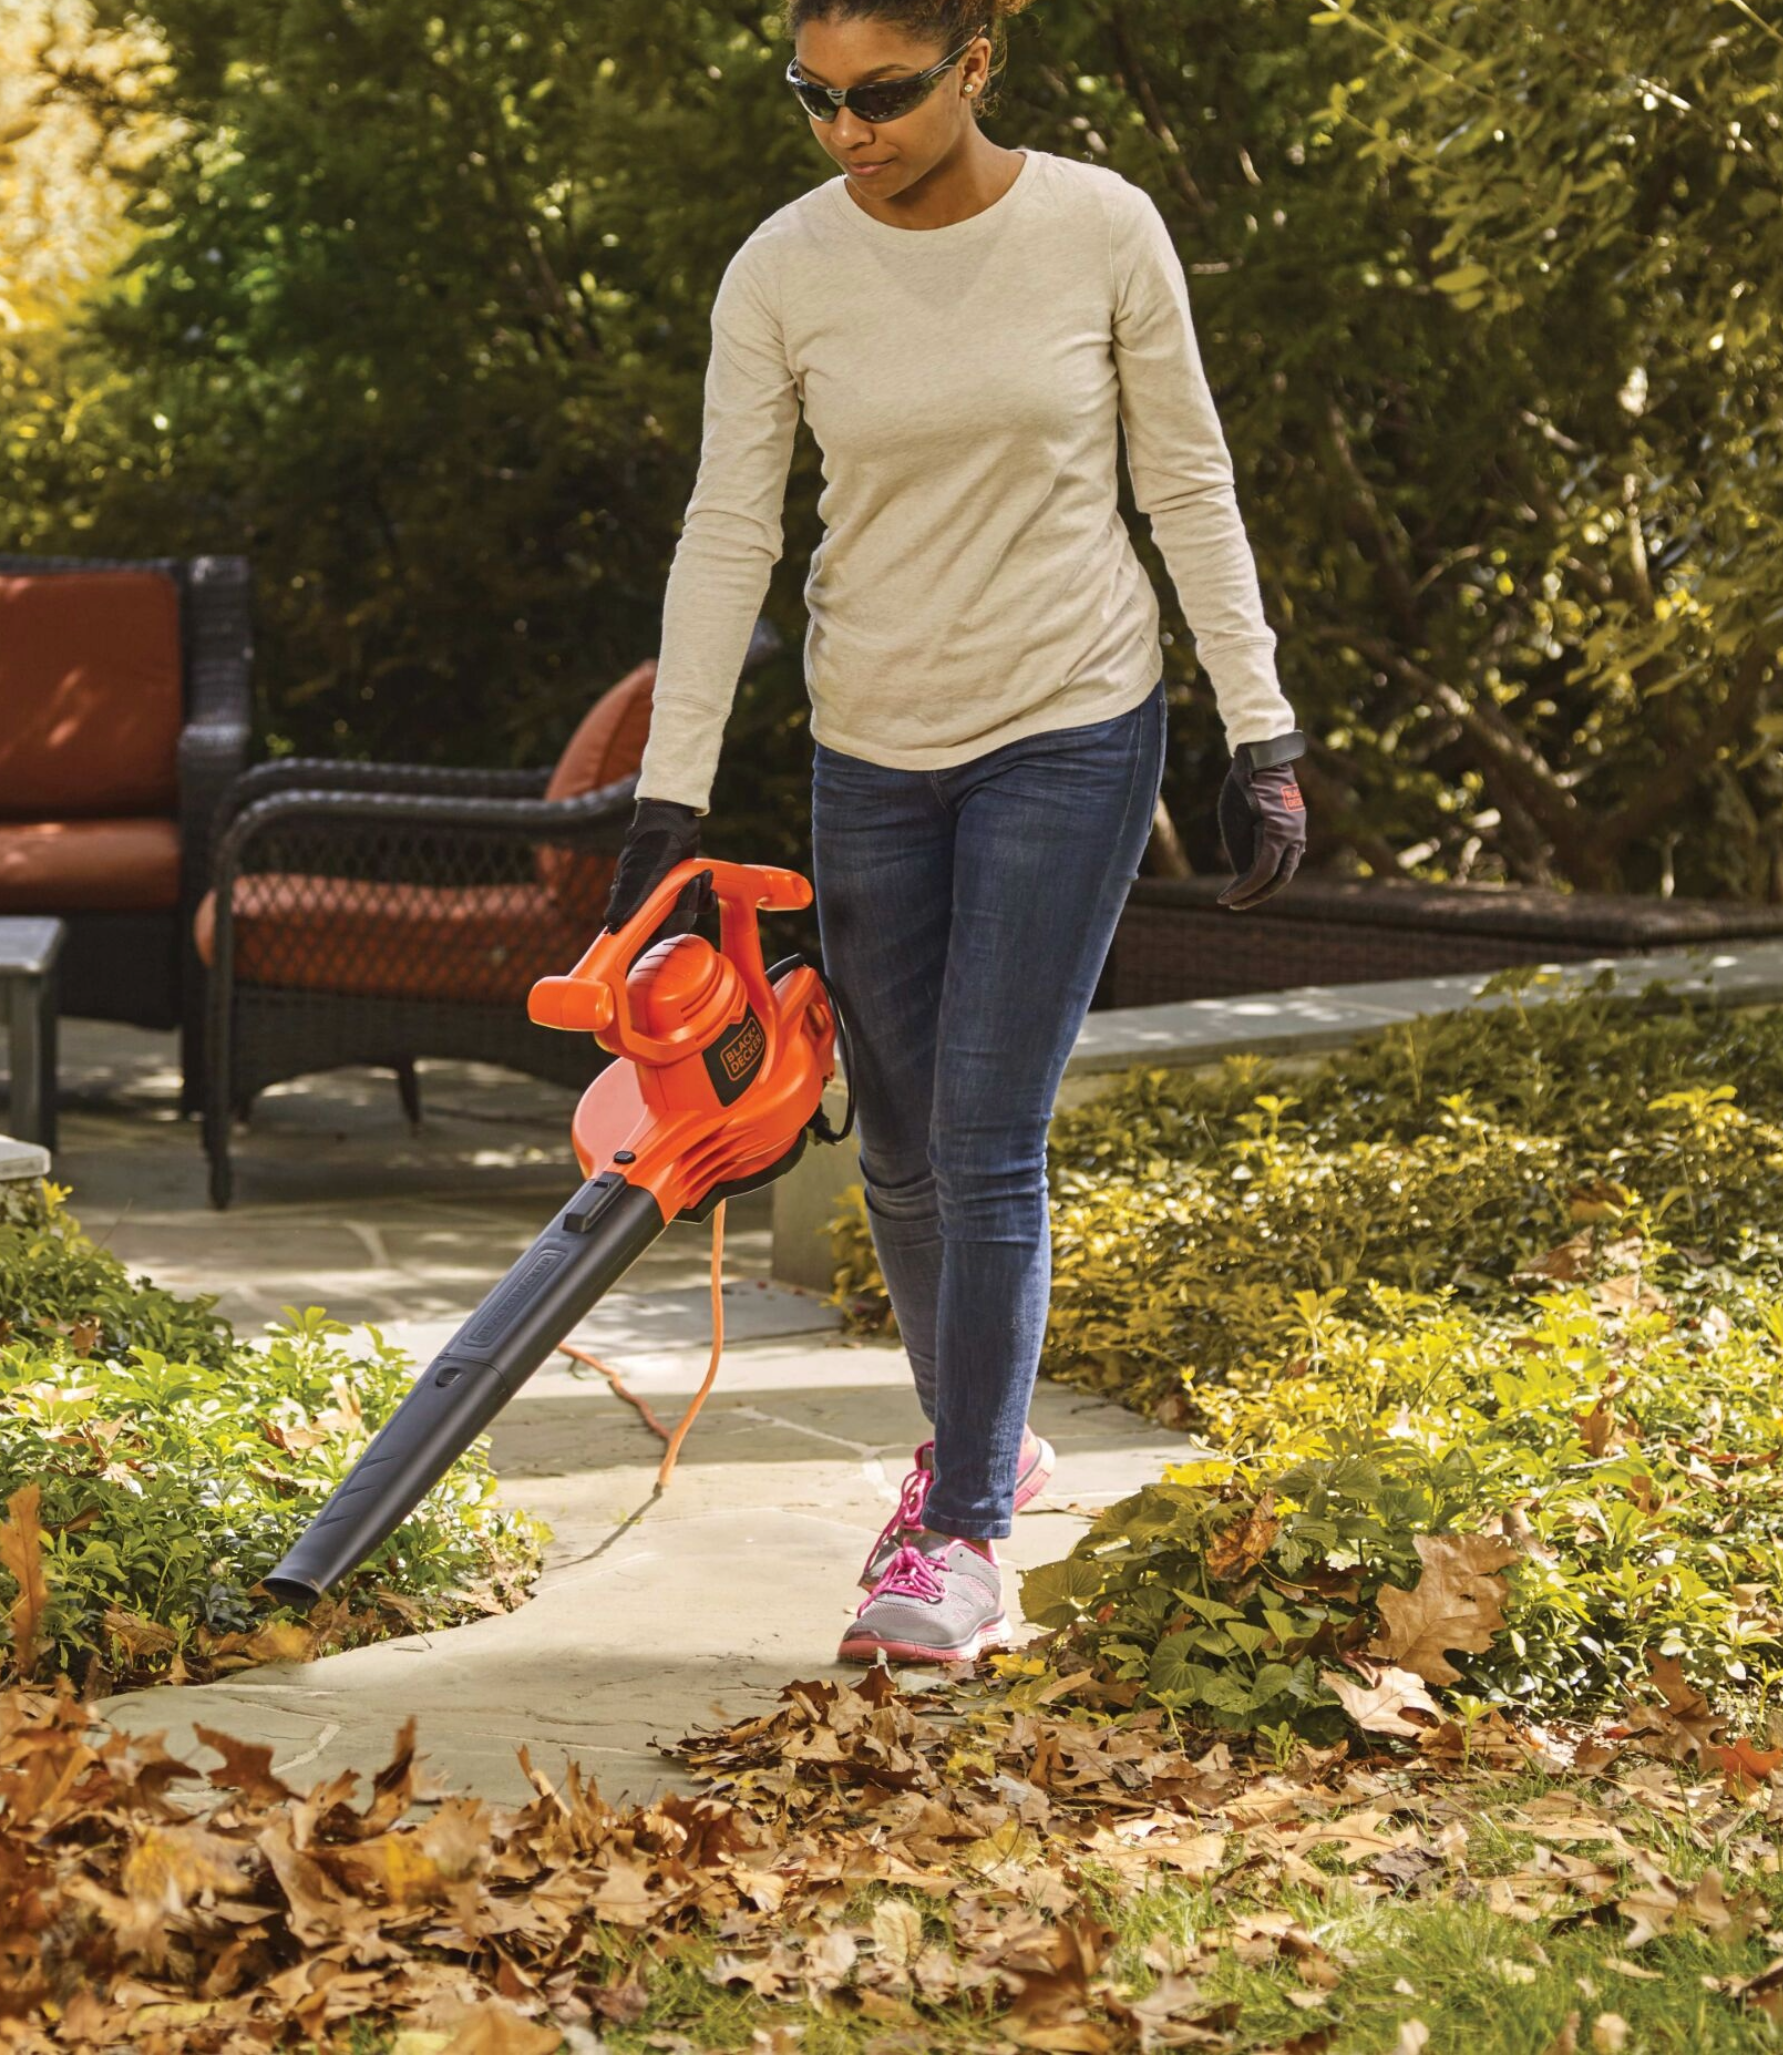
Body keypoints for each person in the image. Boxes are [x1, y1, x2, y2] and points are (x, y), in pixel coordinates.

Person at [601, 0, 1310, 1663]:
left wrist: (1257, 725)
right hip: (873, 737)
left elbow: (1187, 484)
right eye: (816, 98)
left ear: (978, 60)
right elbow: (727, 533)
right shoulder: (782, 267)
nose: (850, 131)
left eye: (888, 95)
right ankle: (984, 1439)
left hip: (1070, 719)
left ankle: (965, 1532)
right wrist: (670, 786)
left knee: (989, 1128)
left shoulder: (1099, 228)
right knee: (901, 1139)